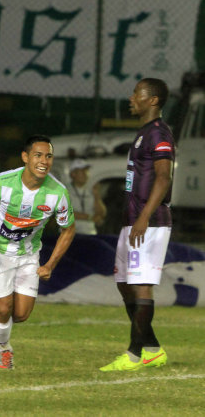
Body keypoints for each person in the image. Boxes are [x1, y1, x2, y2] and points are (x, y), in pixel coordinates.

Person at [0, 135, 76, 369]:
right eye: (38, 155)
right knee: (5, 308)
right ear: (25, 157)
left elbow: (68, 230)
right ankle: (4, 349)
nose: (44, 161)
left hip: (29, 255)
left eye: (48, 156)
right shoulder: (2, 182)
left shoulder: (58, 193)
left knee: (20, 314)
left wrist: (50, 265)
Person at [100, 78, 174, 372]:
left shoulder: (159, 134)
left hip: (150, 222)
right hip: (132, 222)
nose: (132, 98)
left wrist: (144, 216)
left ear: (152, 100)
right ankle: (153, 348)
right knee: (124, 284)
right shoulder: (143, 133)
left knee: (141, 286)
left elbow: (163, 177)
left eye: (137, 94)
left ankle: (133, 354)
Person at [65, 159, 107, 235]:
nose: (85, 174)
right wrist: (89, 217)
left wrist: (97, 196)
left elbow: (102, 213)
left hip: (90, 233)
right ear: (73, 174)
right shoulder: (64, 190)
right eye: (82, 171)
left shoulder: (91, 190)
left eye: (86, 171)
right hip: (71, 234)